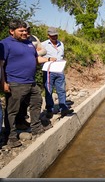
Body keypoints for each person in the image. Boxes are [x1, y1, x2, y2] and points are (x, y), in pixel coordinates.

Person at [0, 19, 55, 148]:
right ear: (12, 31)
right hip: (15, 83)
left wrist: (48, 59)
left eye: (25, 30)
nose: (25, 32)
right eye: (21, 31)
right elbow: (0, 65)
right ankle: (11, 137)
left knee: (36, 103)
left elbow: (35, 59)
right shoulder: (5, 44)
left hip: (31, 82)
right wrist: (3, 83)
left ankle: (36, 127)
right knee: (12, 111)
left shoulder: (29, 43)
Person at [15, 22, 48, 130]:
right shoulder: (15, 42)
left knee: (35, 99)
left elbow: (43, 50)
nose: (26, 32)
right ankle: (16, 127)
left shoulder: (34, 38)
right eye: (23, 30)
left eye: (28, 30)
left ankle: (32, 124)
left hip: (31, 75)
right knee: (18, 102)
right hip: (18, 78)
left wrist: (33, 54)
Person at [41, 27, 74, 118]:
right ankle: (49, 110)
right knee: (48, 91)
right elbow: (37, 57)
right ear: (48, 36)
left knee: (61, 90)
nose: (54, 37)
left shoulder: (61, 44)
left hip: (59, 71)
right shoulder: (43, 45)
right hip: (49, 72)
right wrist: (48, 60)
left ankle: (63, 108)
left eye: (55, 35)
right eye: (52, 36)